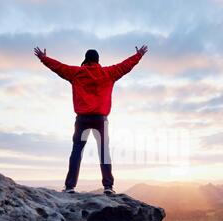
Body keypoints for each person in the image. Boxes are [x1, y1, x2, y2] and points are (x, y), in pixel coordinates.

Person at [34, 44, 148, 194]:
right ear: (98, 60)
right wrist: (138, 55)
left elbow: (58, 67)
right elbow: (125, 66)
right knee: (104, 152)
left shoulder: (76, 73)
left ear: (85, 60)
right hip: (100, 119)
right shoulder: (108, 73)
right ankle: (108, 187)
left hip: (82, 119)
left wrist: (43, 58)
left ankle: (69, 187)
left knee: (76, 151)